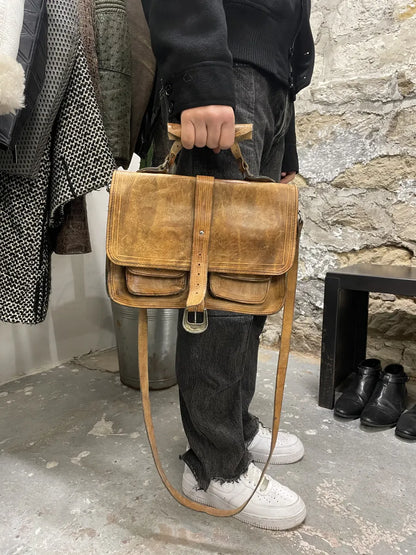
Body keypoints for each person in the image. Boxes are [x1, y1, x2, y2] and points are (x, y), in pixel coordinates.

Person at [141, 0, 315, 531]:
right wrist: (201, 73)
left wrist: (286, 144)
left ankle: (234, 425)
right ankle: (213, 465)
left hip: (272, 83)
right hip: (227, 68)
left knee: (250, 285)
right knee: (216, 288)